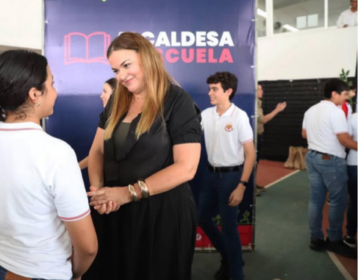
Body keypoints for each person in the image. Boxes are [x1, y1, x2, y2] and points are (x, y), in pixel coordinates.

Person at [0, 50, 97, 280]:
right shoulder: (57, 153)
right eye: (53, 84)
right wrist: (73, 273)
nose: (56, 92)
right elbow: (87, 247)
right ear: (35, 94)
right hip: (40, 271)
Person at [85, 32, 202, 280]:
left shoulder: (177, 100)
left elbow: (186, 167)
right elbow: (97, 150)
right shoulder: (117, 99)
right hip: (114, 209)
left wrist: (127, 193)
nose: (122, 76)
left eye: (127, 65)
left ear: (147, 57)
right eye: (116, 70)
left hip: (161, 214)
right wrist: (99, 192)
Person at [198, 72, 256, 280]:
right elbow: (190, 131)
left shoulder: (239, 116)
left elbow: (250, 155)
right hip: (210, 176)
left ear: (228, 91)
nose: (210, 93)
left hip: (232, 178)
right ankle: (231, 258)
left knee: (229, 227)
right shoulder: (206, 114)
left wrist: (242, 186)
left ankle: (236, 274)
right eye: (210, 88)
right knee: (201, 217)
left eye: (214, 89)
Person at [302, 78, 357, 259]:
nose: (345, 99)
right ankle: (334, 239)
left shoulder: (311, 110)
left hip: (312, 157)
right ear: (334, 93)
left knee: (316, 199)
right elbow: (344, 140)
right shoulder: (335, 112)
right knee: (338, 200)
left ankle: (315, 238)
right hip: (331, 160)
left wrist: (321, 136)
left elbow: (304, 133)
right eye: (344, 95)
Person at [79, 78, 117, 169]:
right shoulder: (106, 118)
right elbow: (97, 153)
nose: (101, 96)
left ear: (116, 94)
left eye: (105, 91)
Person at [255, 84, 286, 193]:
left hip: (258, 136)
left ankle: (252, 184)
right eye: (258, 89)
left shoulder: (258, 103)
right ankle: (249, 187)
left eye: (261, 89)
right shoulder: (254, 104)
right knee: (252, 162)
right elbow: (263, 120)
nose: (261, 91)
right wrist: (277, 110)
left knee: (256, 162)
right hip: (254, 138)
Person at [344, 107, 357, 248]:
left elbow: (347, 140)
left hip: (354, 164)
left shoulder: (353, 118)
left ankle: (350, 236)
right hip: (354, 165)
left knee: (354, 201)